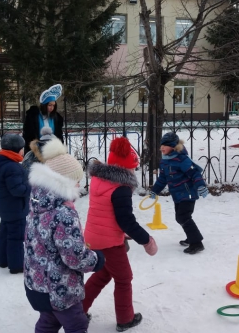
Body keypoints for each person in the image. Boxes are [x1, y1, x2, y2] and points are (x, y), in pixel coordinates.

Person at [24, 137, 105, 333]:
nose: (79, 185)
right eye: (76, 181)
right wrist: (96, 260)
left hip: (38, 284)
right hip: (60, 288)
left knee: (49, 322)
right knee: (77, 325)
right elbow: (73, 255)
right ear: (64, 182)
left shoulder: (38, 205)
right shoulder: (63, 213)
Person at [83, 136, 158, 332]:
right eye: (132, 168)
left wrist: (121, 233)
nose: (134, 171)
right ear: (125, 168)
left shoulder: (99, 179)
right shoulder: (121, 188)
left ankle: (78, 311)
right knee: (124, 278)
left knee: (102, 275)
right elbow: (126, 220)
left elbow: (107, 214)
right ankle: (125, 319)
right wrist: (146, 240)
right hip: (109, 243)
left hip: (94, 236)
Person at [149, 132, 208, 254]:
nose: (161, 148)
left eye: (165, 145)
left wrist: (201, 186)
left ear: (173, 146)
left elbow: (195, 174)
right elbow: (162, 179)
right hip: (177, 195)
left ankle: (197, 243)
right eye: (161, 145)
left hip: (188, 194)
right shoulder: (165, 161)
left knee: (183, 217)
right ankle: (191, 237)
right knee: (181, 217)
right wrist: (155, 191)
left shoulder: (182, 159)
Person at [0, 133, 31, 274]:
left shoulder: (3, 164)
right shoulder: (13, 167)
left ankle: (4, 260)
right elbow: (17, 190)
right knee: (16, 237)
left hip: (6, 208)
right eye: (22, 148)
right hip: (16, 208)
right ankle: (17, 265)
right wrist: (30, 186)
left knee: (5, 233)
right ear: (16, 150)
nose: (23, 151)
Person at [23, 84, 64, 154]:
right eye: (49, 105)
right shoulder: (33, 116)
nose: (52, 108)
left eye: (53, 105)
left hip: (52, 149)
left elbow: (59, 135)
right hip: (36, 150)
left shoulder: (56, 118)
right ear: (44, 105)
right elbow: (28, 135)